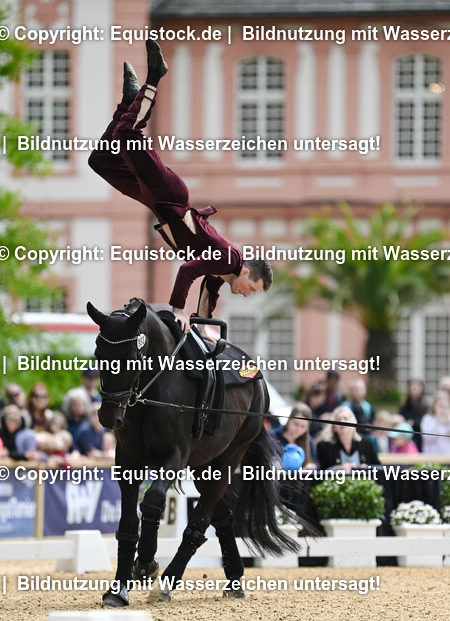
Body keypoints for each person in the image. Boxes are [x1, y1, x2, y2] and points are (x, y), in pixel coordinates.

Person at [88, 40, 272, 332]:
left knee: (99, 161)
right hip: (169, 196)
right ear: (246, 272)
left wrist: (205, 329)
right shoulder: (229, 258)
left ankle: (129, 100)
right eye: (252, 288)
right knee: (127, 133)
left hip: (157, 202)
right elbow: (188, 270)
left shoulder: (222, 272)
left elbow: (207, 299)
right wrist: (178, 311)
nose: (248, 294)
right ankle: (153, 78)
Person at [316, 405, 380, 470]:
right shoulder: (324, 446)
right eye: (339, 419)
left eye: (345, 418)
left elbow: (378, 467)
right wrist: (338, 468)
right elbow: (320, 472)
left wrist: (367, 467)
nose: (342, 422)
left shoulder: (366, 443)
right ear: (334, 427)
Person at [271, 402, 317, 469]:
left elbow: (316, 463)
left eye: (303, 426)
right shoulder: (273, 436)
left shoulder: (309, 441)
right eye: (296, 424)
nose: (298, 429)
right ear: (289, 420)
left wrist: (312, 466)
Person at [398, 379, 428, 451]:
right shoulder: (404, 406)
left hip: (420, 438)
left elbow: (426, 422)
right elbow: (400, 419)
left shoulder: (425, 406)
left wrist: (414, 423)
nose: (414, 389)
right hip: (407, 439)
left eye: (417, 387)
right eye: (412, 387)